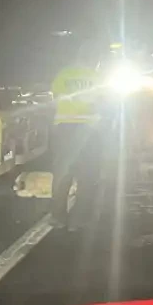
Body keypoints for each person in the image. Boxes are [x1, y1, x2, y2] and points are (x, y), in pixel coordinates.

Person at [49, 49, 105, 228]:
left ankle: (58, 217)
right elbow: (103, 101)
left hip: (65, 127)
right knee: (87, 174)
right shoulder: (96, 76)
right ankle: (79, 219)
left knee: (63, 173)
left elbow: (56, 96)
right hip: (88, 130)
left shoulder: (64, 74)